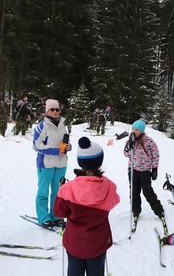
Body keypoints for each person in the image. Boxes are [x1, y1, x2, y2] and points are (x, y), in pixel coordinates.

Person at [54, 137, 120, 276]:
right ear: (99, 162)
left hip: (75, 242)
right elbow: (114, 201)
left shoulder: (68, 189)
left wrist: (63, 190)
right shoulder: (109, 186)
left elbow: (59, 212)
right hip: (98, 242)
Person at [33, 99, 71, 228]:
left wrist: (68, 147)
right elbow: (36, 145)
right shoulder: (42, 125)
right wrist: (55, 151)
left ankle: (55, 216)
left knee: (57, 192)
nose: (55, 112)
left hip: (61, 163)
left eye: (57, 109)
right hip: (46, 164)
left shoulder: (62, 124)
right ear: (47, 111)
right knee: (43, 191)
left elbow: (64, 141)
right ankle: (43, 217)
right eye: (52, 110)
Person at [124, 119, 166, 225]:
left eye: (136, 130)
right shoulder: (130, 141)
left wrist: (155, 169)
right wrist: (130, 144)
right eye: (133, 129)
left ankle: (159, 210)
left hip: (145, 171)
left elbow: (156, 155)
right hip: (133, 170)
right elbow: (126, 153)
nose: (134, 131)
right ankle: (136, 210)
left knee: (147, 191)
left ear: (142, 131)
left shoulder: (149, 141)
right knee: (134, 191)